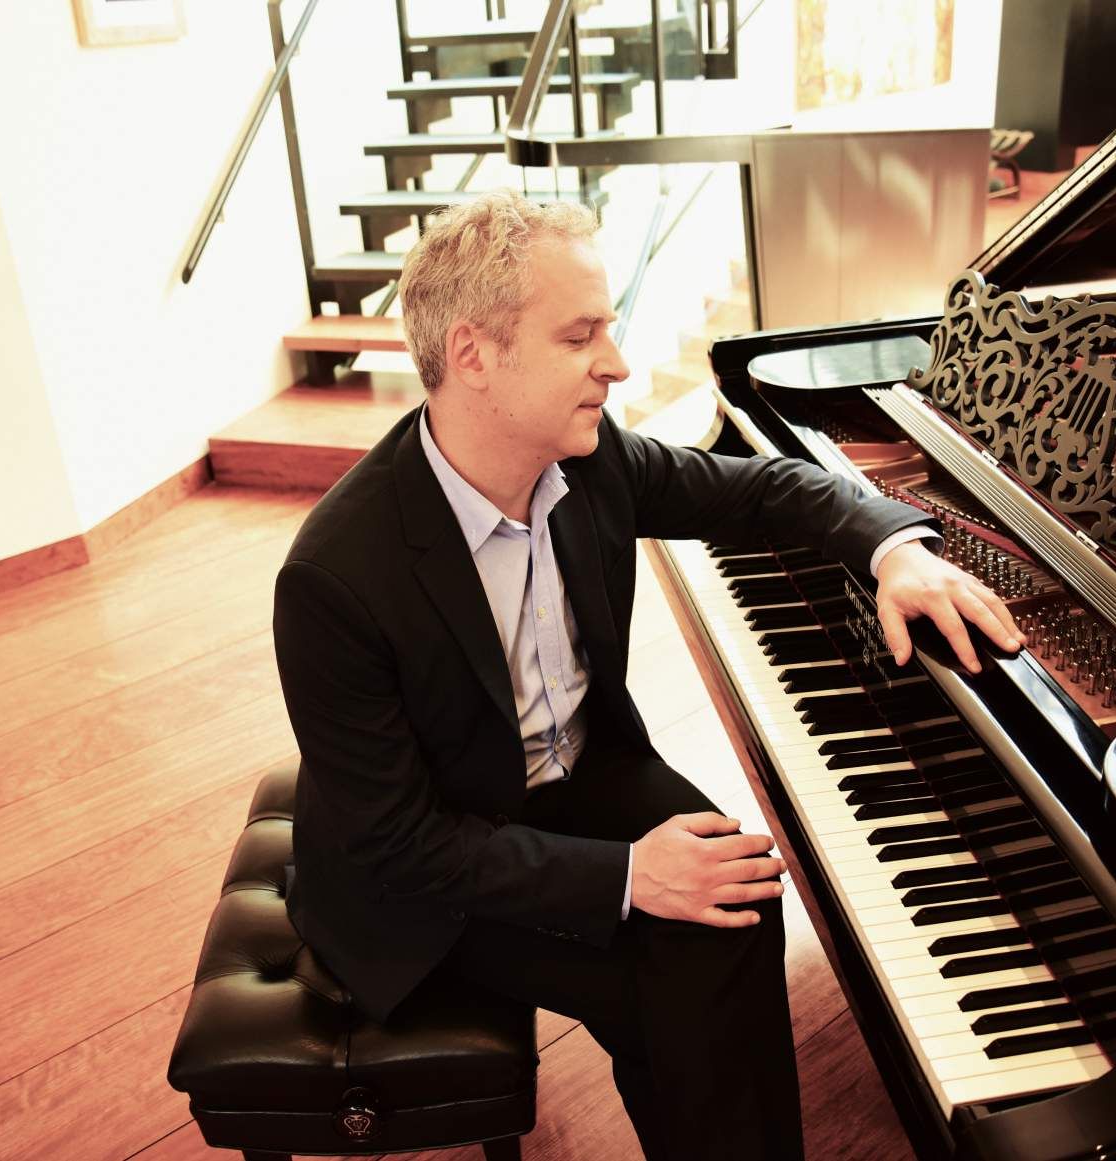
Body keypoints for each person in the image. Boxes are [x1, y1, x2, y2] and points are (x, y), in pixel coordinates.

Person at [272, 189, 1023, 1160]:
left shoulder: (588, 464)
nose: (617, 365)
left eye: (610, 329)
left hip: (577, 777)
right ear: (472, 356)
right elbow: (400, 847)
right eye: (580, 335)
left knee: (738, 906)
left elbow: (760, 492)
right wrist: (629, 874)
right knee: (672, 983)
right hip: (428, 874)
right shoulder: (335, 577)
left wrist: (893, 550)